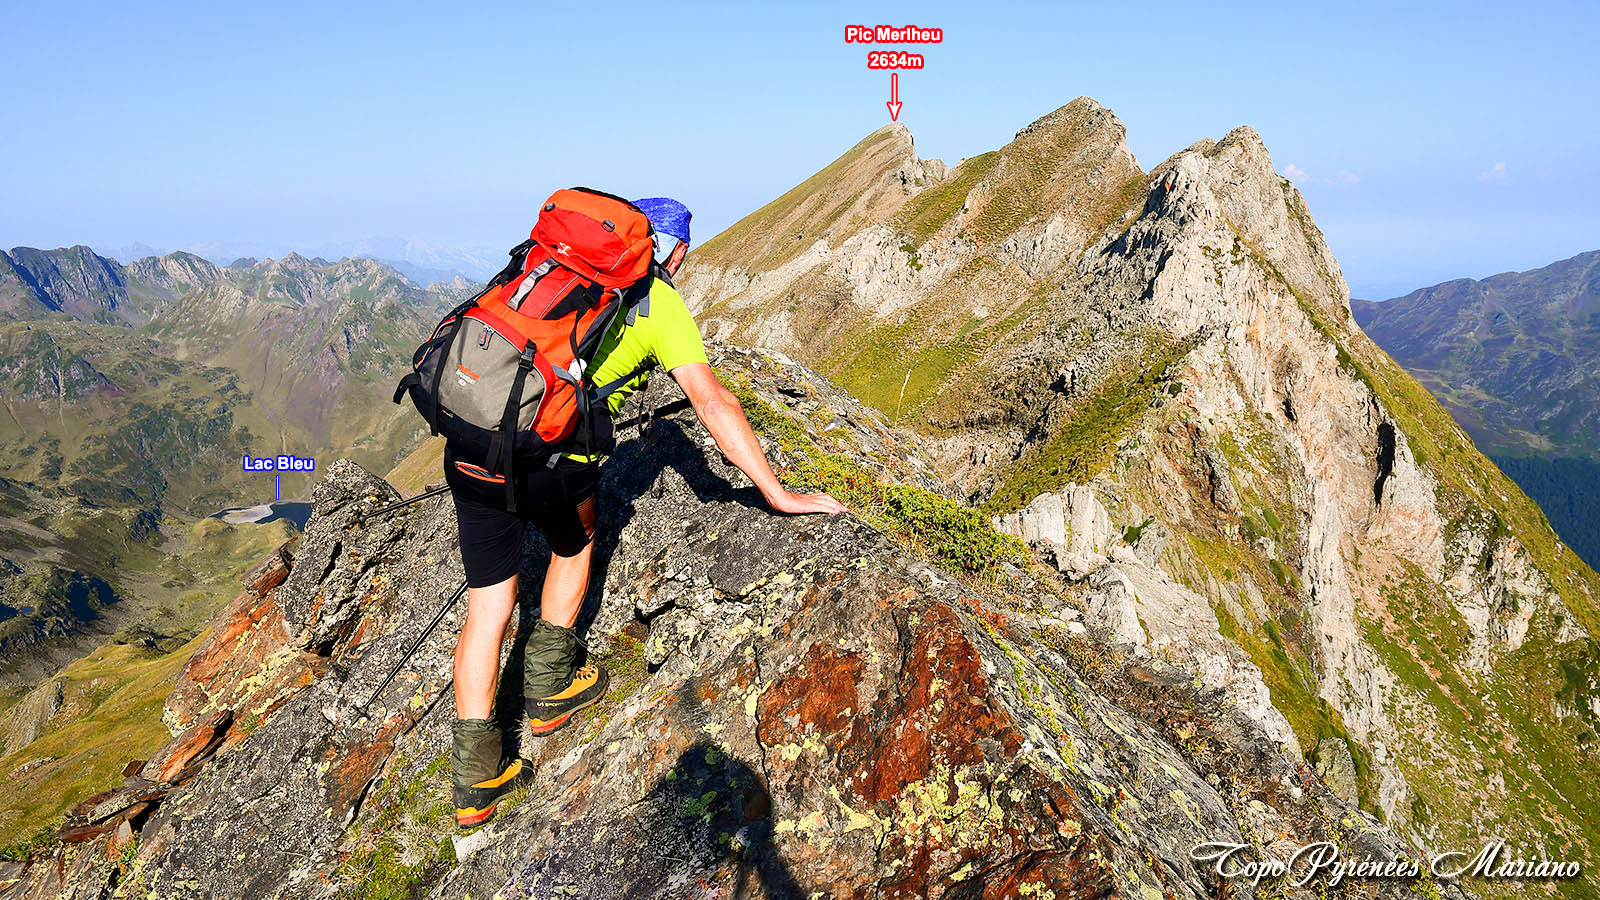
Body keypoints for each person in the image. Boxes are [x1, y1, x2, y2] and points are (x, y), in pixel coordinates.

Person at [447, 197, 846, 827]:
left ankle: (475, 779)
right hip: (549, 460)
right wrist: (777, 492)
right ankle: (548, 688)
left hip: (471, 446)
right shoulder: (659, 306)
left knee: (489, 606)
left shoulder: (545, 272)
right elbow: (712, 403)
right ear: (675, 250)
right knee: (574, 546)